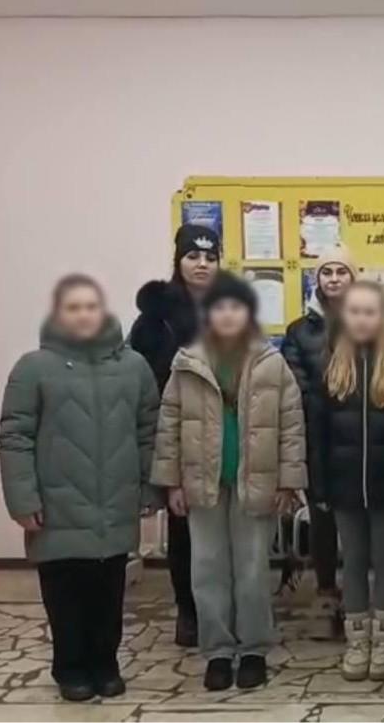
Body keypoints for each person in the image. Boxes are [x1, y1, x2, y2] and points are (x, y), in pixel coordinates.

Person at [0, 275, 159, 702]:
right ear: (59, 314)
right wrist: (23, 500)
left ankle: (106, 664)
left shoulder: (134, 367)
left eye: (91, 306)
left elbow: (149, 431)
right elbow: (15, 437)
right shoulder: (34, 368)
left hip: (114, 504)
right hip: (57, 507)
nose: (84, 314)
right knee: (66, 594)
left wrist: (150, 489)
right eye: (74, 307)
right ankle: (70, 668)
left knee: (108, 591)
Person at [151, 272, 306, 691]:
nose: (227, 315)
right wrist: (171, 483)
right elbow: (169, 425)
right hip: (203, 482)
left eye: (236, 307)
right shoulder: (188, 362)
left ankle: (253, 648)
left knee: (252, 568)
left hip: (256, 480)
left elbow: (292, 424)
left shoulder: (271, 362)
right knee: (207, 569)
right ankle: (217, 651)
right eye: (219, 307)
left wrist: (289, 481)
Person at [312, 281, 384, 681]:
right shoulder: (331, 361)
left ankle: (383, 641)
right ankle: (357, 641)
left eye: (370, 312)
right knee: (353, 561)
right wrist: (320, 486)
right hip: (344, 484)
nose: (362, 319)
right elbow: (319, 432)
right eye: (355, 312)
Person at [129, 223, 220, 647]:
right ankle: (188, 610)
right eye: (193, 256)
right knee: (184, 529)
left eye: (210, 257)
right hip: (177, 433)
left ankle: (223, 608)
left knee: (222, 528)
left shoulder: (230, 309)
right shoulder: (155, 319)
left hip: (224, 432)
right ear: (178, 260)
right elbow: (139, 382)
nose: (201, 264)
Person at [282, 246, 356, 637]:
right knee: (323, 520)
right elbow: (296, 385)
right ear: (317, 279)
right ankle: (327, 595)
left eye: (341, 271)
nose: (334, 278)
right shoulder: (299, 331)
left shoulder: (368, 322)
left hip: (359, 438)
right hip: (317, 438)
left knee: (357, 521)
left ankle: (359, 600)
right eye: (326, 272)